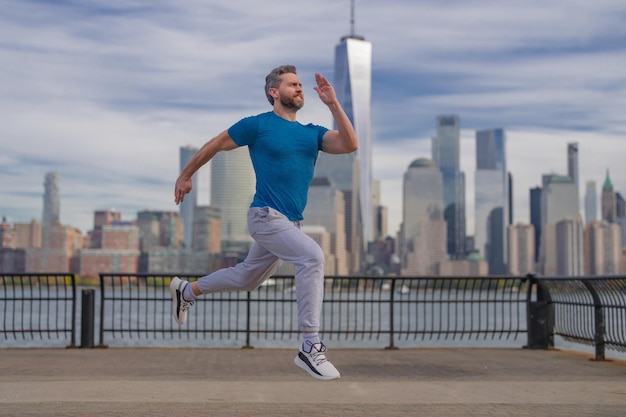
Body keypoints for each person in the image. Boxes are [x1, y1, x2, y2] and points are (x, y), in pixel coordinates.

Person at [170, 65, 358, 381]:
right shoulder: (258, 126)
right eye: (292, 84)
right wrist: (186, 175)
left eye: (301, 85)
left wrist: (333, 104)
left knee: (247, 278)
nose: (300, 88)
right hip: (265, 216)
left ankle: (187, 291)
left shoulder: (312, 133)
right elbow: (216, 143)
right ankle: (311, 346)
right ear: (274, 92)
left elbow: (350, 144)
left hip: (290, 224)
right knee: (312, 257)